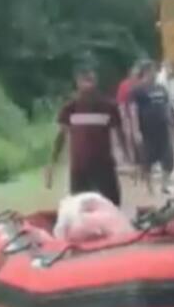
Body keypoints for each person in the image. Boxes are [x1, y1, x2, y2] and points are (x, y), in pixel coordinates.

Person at [45, 65, 128, 206]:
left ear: (96, 82)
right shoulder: (70, 108)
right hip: (80, 167)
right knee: (79, 208)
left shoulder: (109, 107)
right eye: (84, 80)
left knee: (112, 204)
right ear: (78, 83)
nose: (88, 85)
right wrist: (52, 165)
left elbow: (120, 135)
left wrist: (129, 159)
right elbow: (60, 137)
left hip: (104, 165)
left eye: (91, 80)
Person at [129, 60, 174, 195]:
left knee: (168, 158)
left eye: (155, 70)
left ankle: (164, 185)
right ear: (145, 72)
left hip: (162, 128)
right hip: (147, 130)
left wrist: (172, 126)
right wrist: (135, 130)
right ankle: (149, 188)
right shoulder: (137, 90)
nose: (155, 73)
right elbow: (133, 111)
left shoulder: (161, 88)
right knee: (147, 160)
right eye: (152, 70)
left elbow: (167, 107)